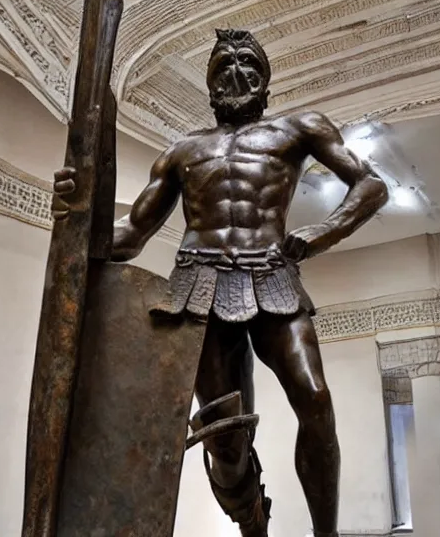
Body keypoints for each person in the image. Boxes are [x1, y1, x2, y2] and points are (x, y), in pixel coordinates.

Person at [52, 29, 388, 537]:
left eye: (248, 61)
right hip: (199, 283)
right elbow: (131, 234)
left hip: (273, 275)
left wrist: (319, 234)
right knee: (223, 440)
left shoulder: (299, 129)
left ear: (266, 79)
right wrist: (79, 219)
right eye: (223, 65)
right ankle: (253, 525)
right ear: (209, 85)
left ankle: (326, 534)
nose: (236, 72)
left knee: (315, 400)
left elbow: (371, 185)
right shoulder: (182, 152)